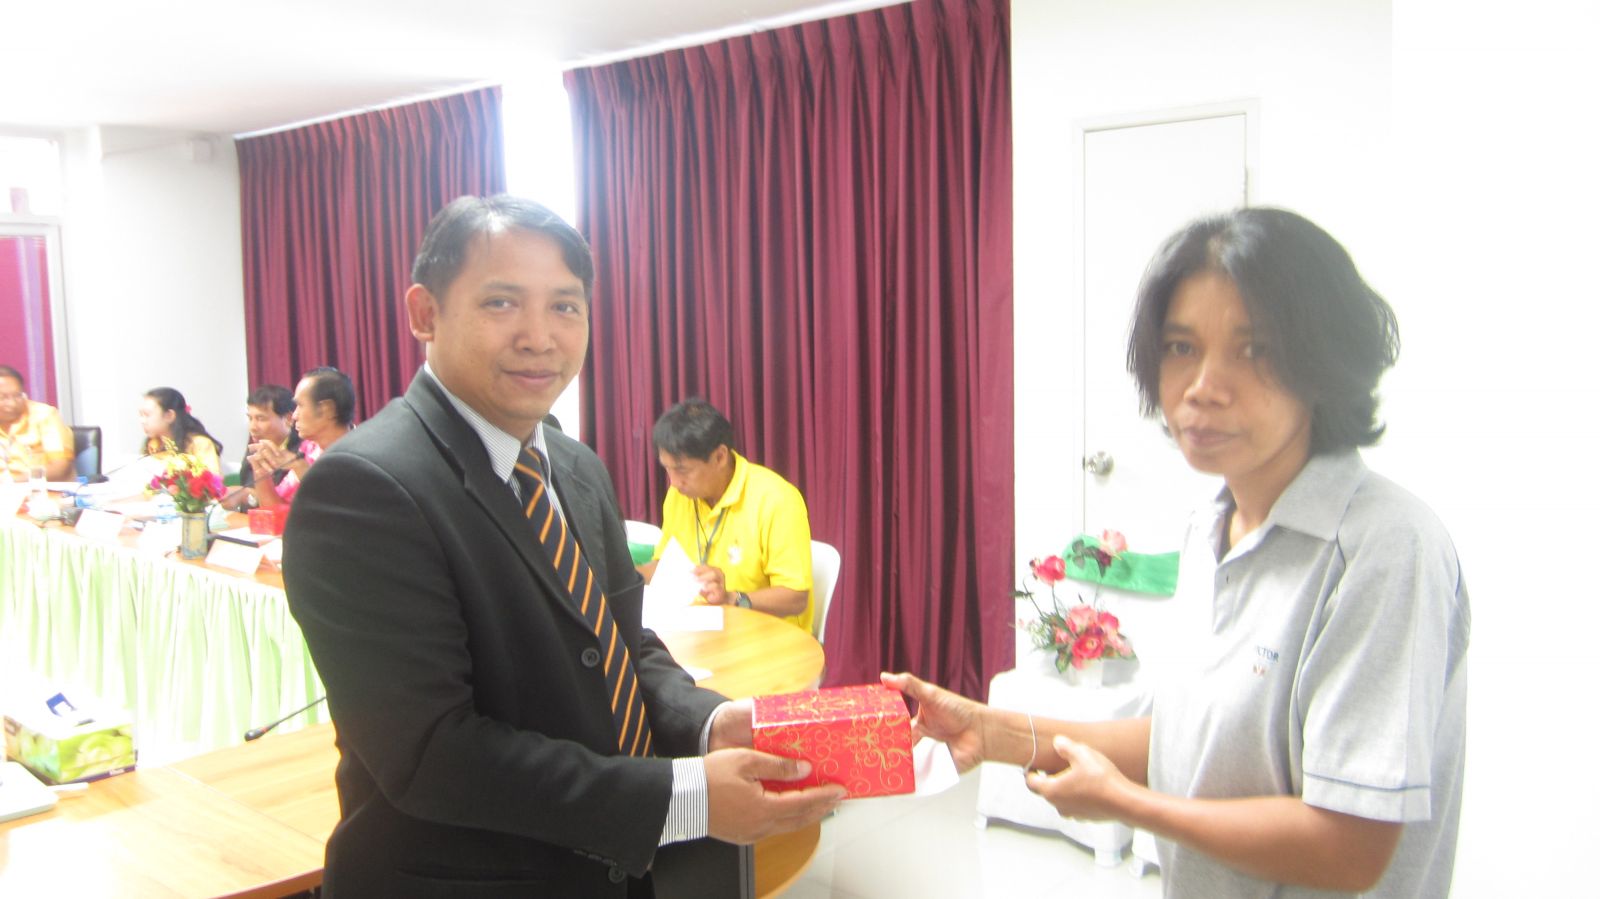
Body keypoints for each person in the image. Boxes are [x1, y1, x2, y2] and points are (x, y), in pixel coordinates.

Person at [886, 208, 1468, 898]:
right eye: (1181, 347)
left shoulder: (1384, 547)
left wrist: (1129, 805)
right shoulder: (1211, 525)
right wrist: (994, 732)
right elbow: (1185, 740)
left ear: (1323, 362)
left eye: (1255, 350)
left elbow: (1350, 846)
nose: (1202, 386)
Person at [282, 195, 842, 895]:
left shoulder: (575, 467)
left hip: (604, 864)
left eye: (565, 306)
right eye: (501, 303)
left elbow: (622, 644)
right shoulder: (364, 488)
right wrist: (685, 796)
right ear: (425, 312)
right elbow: (433, 752)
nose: (539, 336)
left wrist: (709, 722)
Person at [639, 399, 814, 631]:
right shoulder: (679, 496)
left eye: (682, 470)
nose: (674, 482)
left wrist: (732, 598)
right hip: (700, 630)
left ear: (720, 457)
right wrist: (625, 576)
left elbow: (796, 597)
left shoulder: (776, 499)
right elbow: (664, 566)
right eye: (667, 469)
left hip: (767, 636)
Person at [247, 367, 353, 508]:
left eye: (300, 405)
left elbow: (335, 510)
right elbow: (277, 510)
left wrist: (300, 467)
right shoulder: (310, 449)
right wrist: (261, 473)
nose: (294, 416)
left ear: (326, 409)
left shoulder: (358, 454)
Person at [220, 384, 300, 510]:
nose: (252, 427)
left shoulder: (301, 452)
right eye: (250, 418)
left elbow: (287, 504)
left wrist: (247, 495)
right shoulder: (256, 448)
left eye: (261, 419)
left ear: (288, 419)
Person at [0, 364, 76, 482]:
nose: (12, 404)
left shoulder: (44, 415)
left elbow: (60, 468)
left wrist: (12, 482)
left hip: (42, 489)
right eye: (3, 397)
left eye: (17, 396)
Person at [138, 386, 223, 476]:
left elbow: (213, 480)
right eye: (140, 415)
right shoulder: (153, 445)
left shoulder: (199, 444)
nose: (142, 421)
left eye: (147, 415)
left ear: (169, 415)